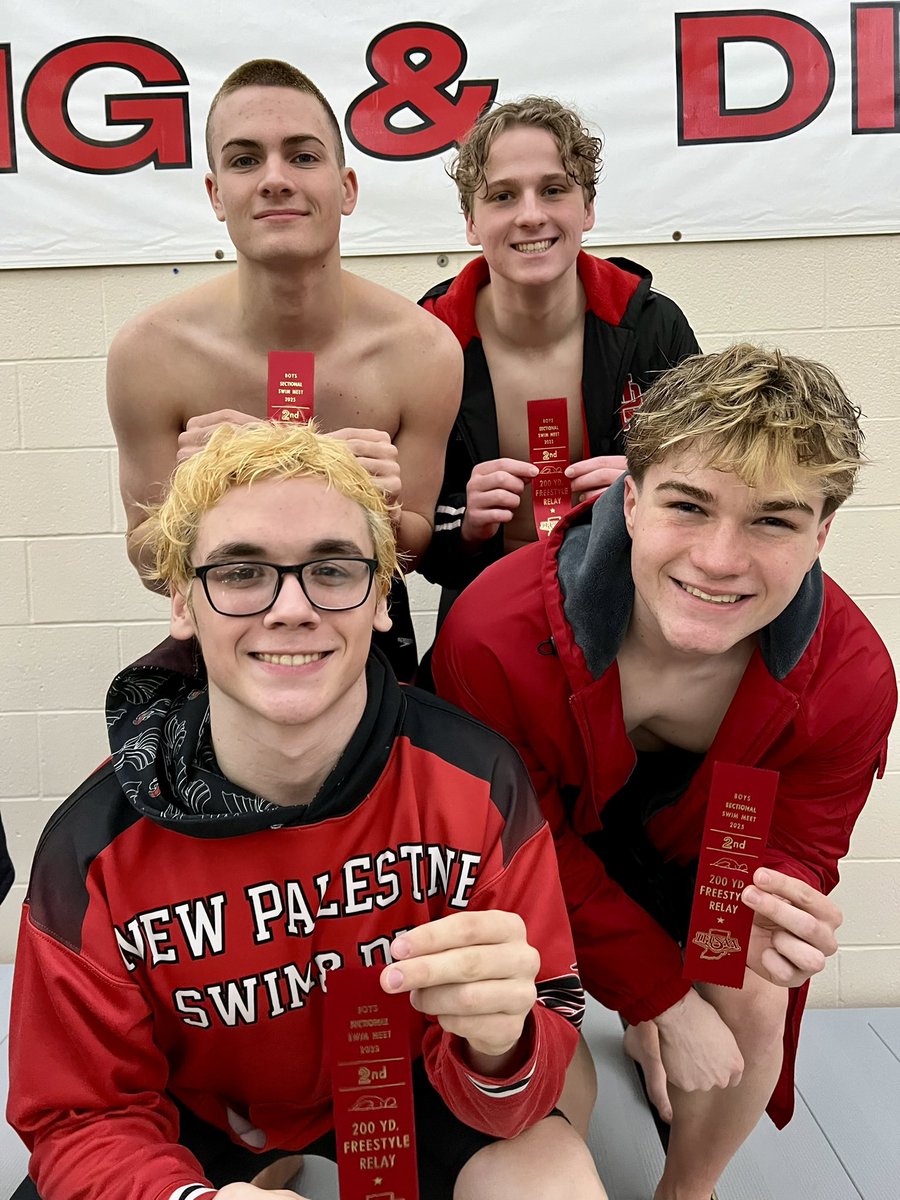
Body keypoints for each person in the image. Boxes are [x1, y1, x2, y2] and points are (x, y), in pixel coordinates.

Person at [8, 422, 606, 1200]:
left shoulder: (478, 778)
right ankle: (265, 1161)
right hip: (202, 1113)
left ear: (381, 597)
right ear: (183, 601)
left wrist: (501, 1045)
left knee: (554, 1166)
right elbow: (77, 1116)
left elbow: (546, 1024)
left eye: (331, 569)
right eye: (241, 571)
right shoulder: (94, 846)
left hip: (414, 1079)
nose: (291, 609)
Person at [432, 344, 897, 1200]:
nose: (720, 559)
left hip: (710, 843)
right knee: (512, 1019)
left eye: (773, 521)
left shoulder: (853, 675)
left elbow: (792, 852)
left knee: (756, 978)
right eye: (689, 505)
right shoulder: (492, 633)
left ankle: (687, 1189)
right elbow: (519, 850)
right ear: (631, 501)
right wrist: (659, 999)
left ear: (821, 535)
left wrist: (789, 911)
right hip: (548, 849)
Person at [107, 58, 462, 681]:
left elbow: (411, 549)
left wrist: (382, 507)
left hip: (366, 640)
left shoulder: (423, 350)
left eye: (302, 156)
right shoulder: (150, 353)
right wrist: (194, 499)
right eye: (245, 160)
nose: (275, 180)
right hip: (226, 632)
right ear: (216, 195)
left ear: (346, 188)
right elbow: (146, 558)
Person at [417, 97, 699, 631]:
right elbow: (408, 537)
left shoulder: (652, 328)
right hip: (486, 611)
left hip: (627, 608)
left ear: (587, 209)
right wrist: (466, 524)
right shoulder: (429, 339)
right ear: (471, 221)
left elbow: (711, 488)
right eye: (503, 196)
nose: (531, 215)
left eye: (553, 190)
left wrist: (646, 490)